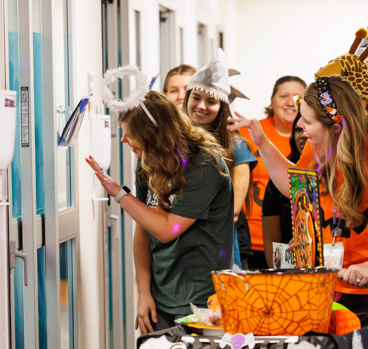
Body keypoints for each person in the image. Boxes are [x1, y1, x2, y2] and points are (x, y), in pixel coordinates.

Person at [228, 73, 368, 349]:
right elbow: (297, 188)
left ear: (337, 124)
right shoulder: (321, 142)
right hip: (338, 282)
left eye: (307, 121)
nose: (300, 126)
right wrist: (262, 142)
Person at [87, 86, 233, 333]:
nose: (123, 140)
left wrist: (119, 194)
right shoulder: (149, 163)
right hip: (160, 297)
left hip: (203, 300)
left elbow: (168, 229)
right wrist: (143, 292)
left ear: (153, 134)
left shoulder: (203, 164)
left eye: (129, 134)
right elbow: (143, 231)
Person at [183, 49, 257, 269]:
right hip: (177, 243)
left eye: (211, 101)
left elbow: (234, 208)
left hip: (218, 244)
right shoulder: (174, 140)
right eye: (196, 98)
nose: (202, 106)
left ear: (222, 107)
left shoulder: (236, 145)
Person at [239, 75, 306, 269]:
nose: (290, 102)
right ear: (272, 101)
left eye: (297, 97)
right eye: (283, 95)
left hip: (297, 240)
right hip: (252, 236)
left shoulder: (316, 145)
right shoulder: (251, 133)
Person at [261, 112, 308, 266]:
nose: (303, 135)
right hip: (289, 269)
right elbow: (270, 241)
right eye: (298, 130)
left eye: (308, 127)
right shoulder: (280, 177)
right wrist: (278, 276)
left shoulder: (333, 171)